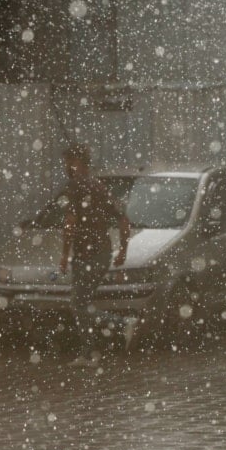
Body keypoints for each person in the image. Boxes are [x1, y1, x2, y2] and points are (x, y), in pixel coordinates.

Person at [58, 143, 134, 366]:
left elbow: (70, 222)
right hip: (101, 252)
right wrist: (122, 251)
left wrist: (64, 254)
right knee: (83, 303)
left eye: (68, 161)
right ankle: (89, 352)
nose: (67, 166)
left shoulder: (76, 186)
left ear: (77, 162)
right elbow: (123, 220)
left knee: (79, 304)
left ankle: (119, 326)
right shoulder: (99, 187)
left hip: (87, 254)